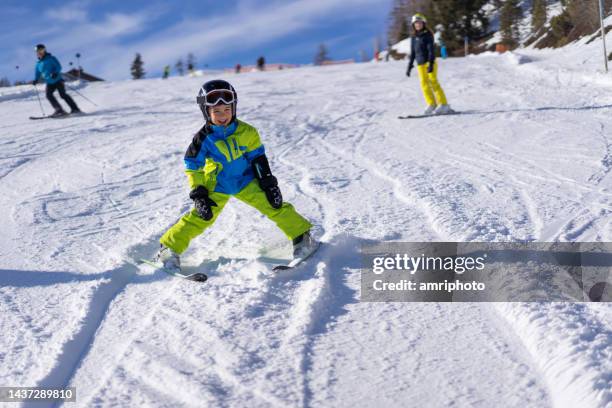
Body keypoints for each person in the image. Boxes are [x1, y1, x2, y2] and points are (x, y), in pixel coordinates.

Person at [156, 79, 317, 271]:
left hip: (245, 179)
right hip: (217, 182)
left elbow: (258, 158)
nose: (222, 115)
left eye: (226, 110)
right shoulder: (202, 139)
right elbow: (193, 165)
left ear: (234, 107)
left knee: (273, 205)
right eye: (216, 112)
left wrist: (268, 183)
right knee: (201, 216)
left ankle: (302, 237)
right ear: (206, 112)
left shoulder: (247, 132)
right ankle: (169, 249)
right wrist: (199, 192)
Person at [406, 14, 452, 116]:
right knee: (424, 84)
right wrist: (410, 65)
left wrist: (431, 63)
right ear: (413, 25)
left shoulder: (428, 35)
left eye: (419, 23)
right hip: (420, 63)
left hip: (429, 61)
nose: (418, 25)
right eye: (416, 23)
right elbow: (413, 52)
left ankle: (444, 104)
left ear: (423, 23)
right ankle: (432, 104)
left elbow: (431, 50)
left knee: (433, 81)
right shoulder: (413, 37)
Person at [33, 44, 80, 117]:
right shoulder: (38, 64)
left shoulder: (51, 58)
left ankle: (75, 109)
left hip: (57, 80)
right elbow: (37, 73)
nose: (40, 53)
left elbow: (58, 66)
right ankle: (59, 110)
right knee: (48, 95)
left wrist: (55, 73)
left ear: (44, 50)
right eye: (38, 51)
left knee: (63, 95)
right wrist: (36, 80)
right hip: (49, 82)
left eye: (41, 50)